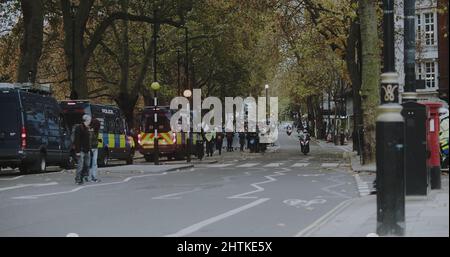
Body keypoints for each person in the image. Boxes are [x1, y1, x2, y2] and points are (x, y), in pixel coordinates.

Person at [72, 115, 91, 185]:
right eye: (89, 120)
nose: (90, 121)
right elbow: (77, 140)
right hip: (81, 150)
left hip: (87, 150)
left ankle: (82, 176)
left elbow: (88, 140)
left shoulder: (87, 128)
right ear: (86, 120)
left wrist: (89, 149)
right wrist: (77, 151)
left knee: (87, 165)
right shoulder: (79, 128)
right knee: (80, 165)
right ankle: (78, 179)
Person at [89, 118, 101, 182]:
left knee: (94, 163)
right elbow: (89, 141)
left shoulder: (96, 131)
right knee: (91, 163)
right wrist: (90, 149)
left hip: (95, 148)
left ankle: (93, 176)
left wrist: (99, 141)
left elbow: (95, 139)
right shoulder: (91, 131)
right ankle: (89, 176)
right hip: (91, 148)